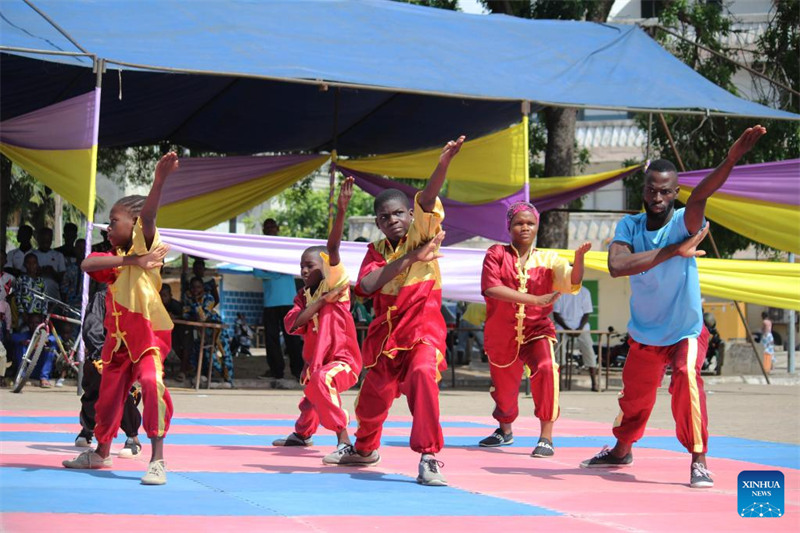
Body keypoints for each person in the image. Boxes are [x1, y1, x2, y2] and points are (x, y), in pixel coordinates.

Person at [579, 126, 767, 490]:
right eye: (652, 189)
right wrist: (672, 252)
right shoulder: (630, 225)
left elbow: (701, 195)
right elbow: (617, 266)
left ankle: (699, 459)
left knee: (686, 377)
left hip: (685, 329)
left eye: (666, 190)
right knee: (634, 396)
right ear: (644, 190)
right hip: (646, 331)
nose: (658, 196)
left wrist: (731, 159)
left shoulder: (684, 221)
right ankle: (621, 450)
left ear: (675, 192)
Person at [326, 136, 464, 487]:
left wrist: (443, 164)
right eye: (384, 217)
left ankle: (429, 456)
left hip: (422, 333)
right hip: (384, 341)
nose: (392, 220)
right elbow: (368, 286)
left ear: (410, 214)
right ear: (378, 222)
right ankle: (365, 449)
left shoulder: (423, 233)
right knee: (371, 402)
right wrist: (408, 260)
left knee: (421, 376)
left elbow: (429, 198)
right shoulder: (375, 251)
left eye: (399, 213)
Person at [62, 151, 178, 486]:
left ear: (135, 226)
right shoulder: (119, 260)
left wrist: (159, 180)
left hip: (147, 342)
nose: (108, 226)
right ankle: (100, 452)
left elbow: (151, 216)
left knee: (152, 385)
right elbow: (86, 265)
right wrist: (132, 263)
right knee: (108, 399)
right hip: (117, 346)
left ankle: (157, 460)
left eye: (114, 221)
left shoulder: (146, 243)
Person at [478, 202, 591, 457]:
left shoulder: (549, 259)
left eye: (530, 223)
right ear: (509, 226)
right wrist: (534, 300)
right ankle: (504, 430)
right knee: (504, 391)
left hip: (536, 329)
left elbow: (571, 282)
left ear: (537, 225)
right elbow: (490, 288)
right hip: (501, 333)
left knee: (547, 369)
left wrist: (580, 262)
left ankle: (546, 437)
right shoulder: (496, 253)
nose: (525, 227)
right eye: (519, 223)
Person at [274, 177, 362, 462]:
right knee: (312, 395)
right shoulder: (304, 297)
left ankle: (345, 440)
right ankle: (303, 433)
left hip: (344, 361)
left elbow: (333, 248)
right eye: (301, 266)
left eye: (309, 266)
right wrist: (321, 303)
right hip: (316, 362)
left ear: (324, 268)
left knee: (322, 381)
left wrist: (341, 211)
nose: (303, 270)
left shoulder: (336, 284)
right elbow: (292, 323)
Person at [74, 287, 143, 457]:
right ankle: (88, 426)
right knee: (93, 390)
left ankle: (132, 437)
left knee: (123, 391)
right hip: (102, 354)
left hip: (129, 358)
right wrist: (100, 354)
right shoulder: (102, 298)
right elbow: (92, 327)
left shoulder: (142, 299)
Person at [255, 218, 303, 380]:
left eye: (272, 226)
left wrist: (270, 272)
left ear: (277, 228)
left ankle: (298, 371)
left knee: (293, 337)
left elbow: (291, 267)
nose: (270, 229)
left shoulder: (286, 247)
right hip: (270, 302)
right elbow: (257, 273)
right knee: (271, 338)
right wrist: (276, 273)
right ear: (263, 230)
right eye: (266, 226)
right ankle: (277, 371)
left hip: (288, 301)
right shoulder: (259, 250)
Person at [183, 277, 234, 386]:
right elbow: (185, 314)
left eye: (198, 287)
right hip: (203, 332)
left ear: (203, 288)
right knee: (205, 354)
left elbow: (203, 317)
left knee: (224, 354)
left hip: (217, 331)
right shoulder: (188, 298)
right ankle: (208, 377)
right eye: (193, 287)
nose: (195, 290)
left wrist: (196, 302)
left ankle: (228, 380)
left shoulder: (209, 298)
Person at [553, 285, 599, 391]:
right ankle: (558, 384)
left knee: (589, 352)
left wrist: (579, 328)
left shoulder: (585, 291)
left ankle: (594, 383)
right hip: (563, 327)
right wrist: (567, 328)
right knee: (559, 353)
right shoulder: (560, 292)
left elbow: (587, 314)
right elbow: (556, 314)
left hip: (581, 327)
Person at [10, 312, 56, 388]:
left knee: (51, 348)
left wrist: (45, 341)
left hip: (40, 370)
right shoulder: (26, 334)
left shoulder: (47, 335)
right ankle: (21, 376)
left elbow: (56, 339)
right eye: (31, 323)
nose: (34, 325)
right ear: (28, 324)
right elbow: (13, 337)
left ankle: (44, 378)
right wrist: (26, 342)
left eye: (37, 323)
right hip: (27, 370)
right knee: (20, 346)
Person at [160, 284, 191, 381]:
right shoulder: (158, 305)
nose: (163, 298)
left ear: (170, 295)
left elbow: (185, 316)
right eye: (161, 295)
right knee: (174, 347)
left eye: (165, 295)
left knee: (185, 348)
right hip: (171, 330)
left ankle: (184, 370)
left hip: (182, 329)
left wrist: (175, 317)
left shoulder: (176, 305)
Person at [13, 253, 47, 329]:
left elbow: (45, 299)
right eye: (28, 263)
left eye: (34, 263)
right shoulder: (21, 279)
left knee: (38, 336)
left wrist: (43, 315)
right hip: (25, 315)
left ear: (37, 264)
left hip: (38, 316)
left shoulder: (41, 281)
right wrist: (23, 313)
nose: (31, 265)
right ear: (25, 264)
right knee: (24, 333)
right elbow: (17, 298)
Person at [33, 227, 66, 301]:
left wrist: (52, 272)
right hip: (35, 298)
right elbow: (25, 276)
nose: (45, 243)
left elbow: (62, 279)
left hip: (54, 298)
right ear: (38, 239)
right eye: (43, 240)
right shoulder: (32, 255)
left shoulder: (58, 255)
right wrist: (38, 272)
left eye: (48, 240)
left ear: (51, 240)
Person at [60, 238, 86, 309]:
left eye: (84, 248)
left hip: (87, 305)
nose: (82, 251)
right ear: (75, 250)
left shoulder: (92, 270)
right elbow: (64, 289)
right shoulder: (69, 269)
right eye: (79, 248)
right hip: (71, 305)